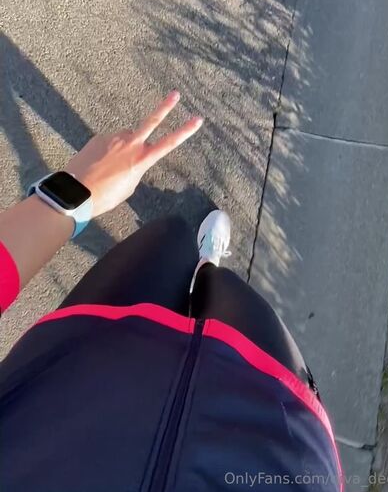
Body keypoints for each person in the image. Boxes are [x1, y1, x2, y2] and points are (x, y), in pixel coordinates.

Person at [0, 91, 342, 491]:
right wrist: (68, 195)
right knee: (222, 288)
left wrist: (72, 193)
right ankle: (208, 266)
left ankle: (203, 266)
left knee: (170, 238)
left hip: (71, 381)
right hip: (269, 440)